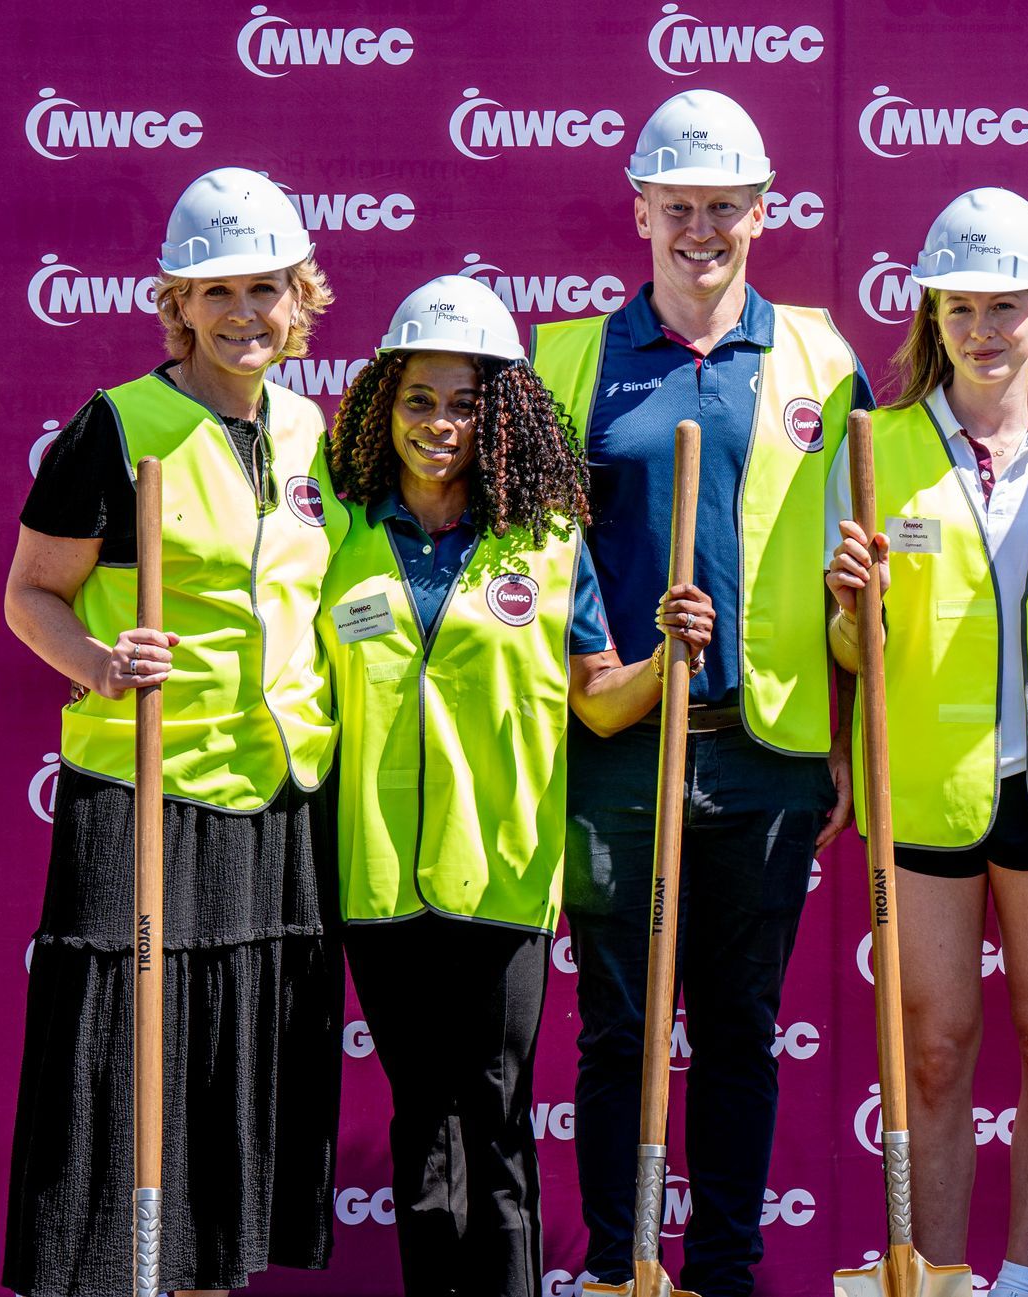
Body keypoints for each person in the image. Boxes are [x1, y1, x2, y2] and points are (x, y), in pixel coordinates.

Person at [526, 89, 871, 1296]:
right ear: (640, 211)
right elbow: (539, 563)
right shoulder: (565, 360)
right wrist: (603, 680)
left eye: (725, 206)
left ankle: (725, 1273)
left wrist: (847, 742)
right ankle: (623, 1269)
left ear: (763, 212)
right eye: (679, 206)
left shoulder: (823, 359)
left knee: (737, 1033)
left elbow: (851, 586)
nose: (701, 229)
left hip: (766, 750)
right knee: (619, 1031)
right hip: (619, 742)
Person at [318, 274, 711, 1297]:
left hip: (503, 876)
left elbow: (599, 701)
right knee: (421, 1127)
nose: (439, 423)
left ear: (500, 414)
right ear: (383, 404)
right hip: (379, 882)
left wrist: (667, 659)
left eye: (464, 402)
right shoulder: (340, 531)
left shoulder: (545, 540)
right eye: (418, 399)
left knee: (493, 1127)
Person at [2, 167, 347, 1297]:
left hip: (277, 799)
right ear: (180, 304)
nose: (246, 313)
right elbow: (30, 594)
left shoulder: (313, 432)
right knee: (122, 1070)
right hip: (144, 791)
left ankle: (206, 1283)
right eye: (219, 291)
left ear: (301, 296)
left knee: (231, 1073)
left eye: (266, 288)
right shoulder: (116, 425)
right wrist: (101, 665)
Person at [823, 188, 1028, 1297]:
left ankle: (1024, 1281)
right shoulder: (876, 445)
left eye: (1004, 306)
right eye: (960, 309)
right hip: (923, 787)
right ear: (931, 317)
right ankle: (939, 1280)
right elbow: (846, 650)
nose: (983, 330)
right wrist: (852, 610)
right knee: (936, 1048)